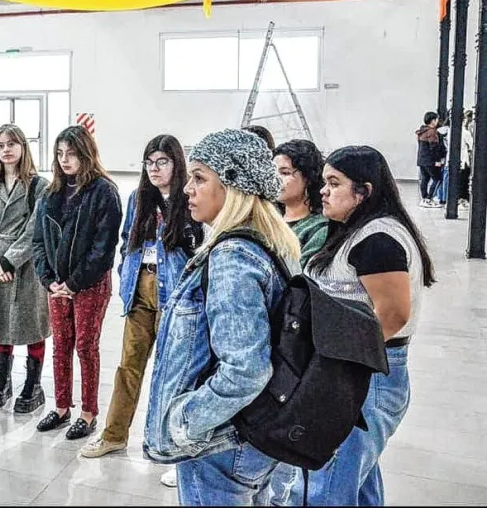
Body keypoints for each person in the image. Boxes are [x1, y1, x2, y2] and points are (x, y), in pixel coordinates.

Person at [145, 129, 300, 505]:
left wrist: (187, 420)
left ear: (233, 186)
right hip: (254, 436)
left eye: (200, 178)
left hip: (221, 444)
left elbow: (246, 369)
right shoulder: (269, 243)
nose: (187, 188)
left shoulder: (233, 258)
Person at [279, 146, 434, 506]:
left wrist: (338, 364)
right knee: (356, 479)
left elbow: (393, 315)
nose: (323, 191)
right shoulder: (354, 230)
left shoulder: (378, 239)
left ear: (363, 191)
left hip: (369, 374)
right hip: (359, 369)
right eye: (324, 182)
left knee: (327, 488)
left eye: (334, 183)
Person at [81, 134, 201, 460]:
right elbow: (126, 241)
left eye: (162, 161)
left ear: (177, 163)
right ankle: (114, 435)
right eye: (149, 162)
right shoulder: (138, 198)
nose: (154, 168)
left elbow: (200, 250)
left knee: (170, 372)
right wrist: (125, 276)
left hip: (174, 295)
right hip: (139, 290)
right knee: (128, 368)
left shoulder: (190, 198)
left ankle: (164, 443)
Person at [32, 125, 122, 441]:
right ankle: (60, 408)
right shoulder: (50, 194)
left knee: (85, 346)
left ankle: (88, 412)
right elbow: (38, 243)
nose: (65, 160)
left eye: (71, 153)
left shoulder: (104, 192)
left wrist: (74, 282)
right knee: (61, 347)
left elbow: (103, 247)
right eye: (60, 154)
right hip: (56, 285)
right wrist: (49, 280)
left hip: (89, 285)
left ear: (85, 154)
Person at [0, 125, 49, 413]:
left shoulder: (38, 186)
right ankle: (3, 379)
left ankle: (33, 384)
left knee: (29, 324)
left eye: (12, 144)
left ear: (23, 147)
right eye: (1, 145)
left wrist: (8, 261)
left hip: (24, 268)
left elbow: (34, 230)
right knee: (2, 323)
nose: (6, 149)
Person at [273, 139, 328, 268]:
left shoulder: (319, 228)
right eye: (272, 172)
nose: (275, 179)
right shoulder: (269, 220)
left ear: (308, 177)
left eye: (285, 173)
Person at [416, 111, 446, 208]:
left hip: (421, 160)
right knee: (437, 179)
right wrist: (438, 160)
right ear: (433, 121)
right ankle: (429, 199)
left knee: (425, 179)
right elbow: (434, 148)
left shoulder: (422, 131)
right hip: (430, 160)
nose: (437, 121)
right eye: (437, 119)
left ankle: (424, 199)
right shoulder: (432, 132)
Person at [459, 109, 474, 209]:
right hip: (464, 160)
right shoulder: (466, 132)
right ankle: (463, 200)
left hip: (457, 160)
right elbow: (473, 145)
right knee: (464, 180)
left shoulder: (454, 131)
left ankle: (460, 199)